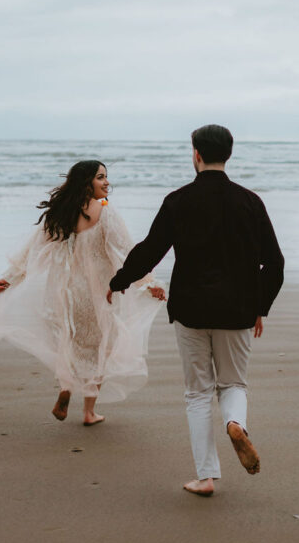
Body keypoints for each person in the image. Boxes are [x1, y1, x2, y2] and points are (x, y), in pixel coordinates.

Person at [107, 125, 284, 495]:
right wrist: (259, 306)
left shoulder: (179, 200)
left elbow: (150, 249)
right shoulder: (250, 202)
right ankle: (235, 423)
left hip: (190, 310)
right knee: (233, 383)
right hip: (237, 311)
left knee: (198, 392)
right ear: (228, 155)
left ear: (196, 154)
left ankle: (205, 477)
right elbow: (275, 263)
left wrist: (118, 281)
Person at [0, 160, 165, 425]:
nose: (107, 182)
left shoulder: (60, 212)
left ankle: (66, 388)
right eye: (101, 177)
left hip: (63, 290)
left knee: (70, 342)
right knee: (101, 347)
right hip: (99, 291)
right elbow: (128, 250)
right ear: (87, 181)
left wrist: (9, 278)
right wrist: (148, 283)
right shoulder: (105, 211)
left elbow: (33, 248)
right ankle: (89, 412)